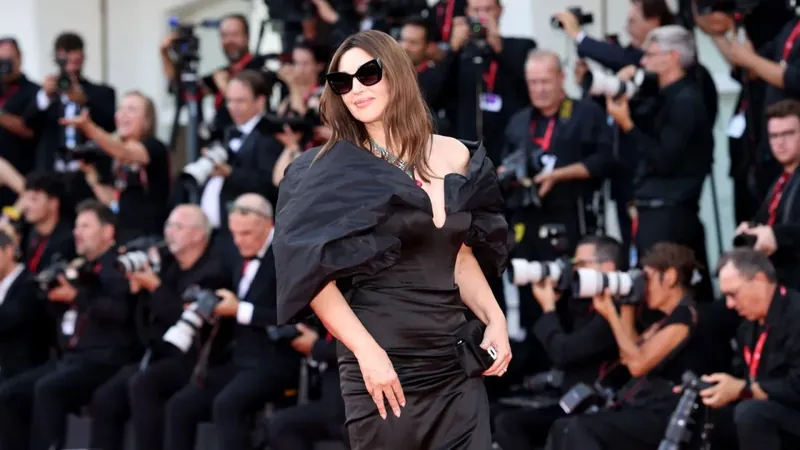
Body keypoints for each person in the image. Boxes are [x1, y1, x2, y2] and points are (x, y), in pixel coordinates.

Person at [273, 30, 512, 450]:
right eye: (342, 82)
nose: (356, 89)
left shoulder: (455, 154)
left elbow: (459, 257)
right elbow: (313, 279)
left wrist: (496, 320)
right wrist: (367, 353)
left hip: (453, 361)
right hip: (382, 361)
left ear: (397, 73)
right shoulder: (327, 170)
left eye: (368, 73)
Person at [545, 243, 701, 450]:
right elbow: (630, 353)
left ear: (670, 277)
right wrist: (627, 306)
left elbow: (637, 365)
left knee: (580, 428)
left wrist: (611, 315)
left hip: (667, 414)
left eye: (648, 278)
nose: (644, 287)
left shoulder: (685, 317)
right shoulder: (665, 320)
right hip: (647, 406)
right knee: (562, 426)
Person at [698, 248, 800, 449]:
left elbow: (796, 387)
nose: (729, 304)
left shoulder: (796, 315)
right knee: (709, 412)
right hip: (770, 413)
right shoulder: (746, 327)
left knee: (751, 413)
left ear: (760, 279)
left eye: (733, 294)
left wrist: (744, 389)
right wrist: (713, 388)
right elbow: (742, 377)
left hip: (792, 412)